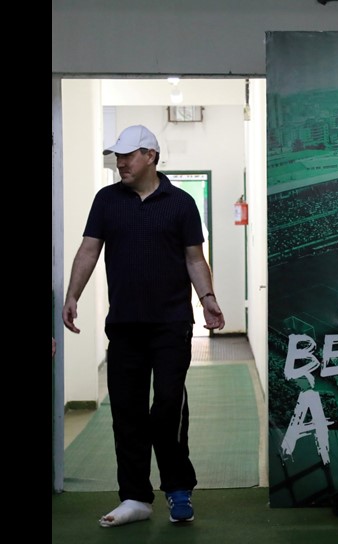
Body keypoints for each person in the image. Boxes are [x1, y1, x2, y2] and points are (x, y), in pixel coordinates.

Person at [62, 124, 225, 528]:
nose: (120, 162)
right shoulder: (106, 201)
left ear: (150, 155)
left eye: (128, 155)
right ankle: (135, 496)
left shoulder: (182, 203)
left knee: (168, 406)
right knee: (127, 413)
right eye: (117, 156)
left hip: (171, 325)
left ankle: (178, 487)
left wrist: (207, 300)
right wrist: (72, 296)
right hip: (124, 327)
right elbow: (88, 250)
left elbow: (193, 258)